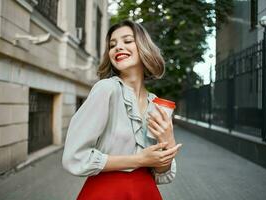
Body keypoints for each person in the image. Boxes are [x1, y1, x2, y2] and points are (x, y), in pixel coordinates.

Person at [62, 20, 182, 200]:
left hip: (146, 192)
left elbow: (162, 174)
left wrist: (169, 141)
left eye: (127, 41)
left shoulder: (155, 103)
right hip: (107, 192)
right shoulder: (106, 89)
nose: (118, 47)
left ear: (143, 47)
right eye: (112, 44)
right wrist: (140, 160)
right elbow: (74, 157)